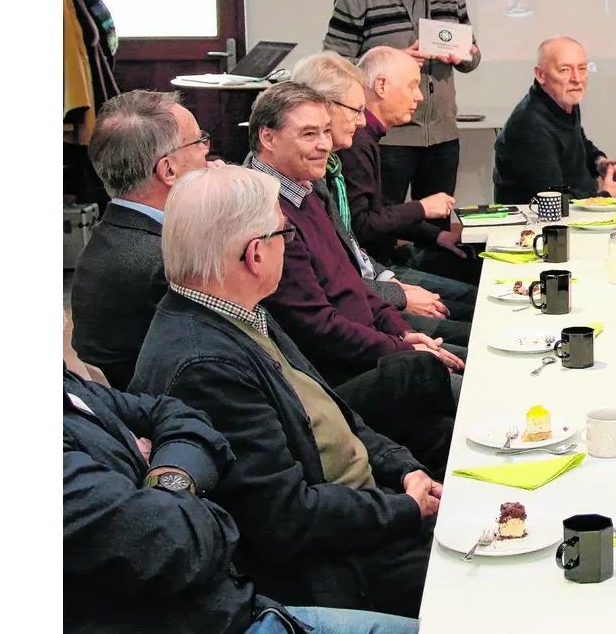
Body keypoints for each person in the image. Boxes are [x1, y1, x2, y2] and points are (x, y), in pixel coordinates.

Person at [129, 167, 445, 619]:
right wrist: (404, 510)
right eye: (286, 234)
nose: (290, 245)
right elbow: (287, 518)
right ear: (256, 254)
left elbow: (333, 411)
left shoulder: (239, 309)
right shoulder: (205, 364)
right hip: (339, 564)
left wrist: (404, 468)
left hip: (368, 507)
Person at [64, 366, 419, 634]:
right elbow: (180, 539)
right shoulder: (202, 362)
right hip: (226, 615)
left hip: (242, 600)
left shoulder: (64, 385)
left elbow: (177, 414)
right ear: (255, 261)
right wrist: (178, 489)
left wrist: (165, 476)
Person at [245, 83, 465, 387]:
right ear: (267, 137)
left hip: (374, 342)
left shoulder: (305, 188)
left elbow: (351, 281)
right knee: (476, 384)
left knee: (479, 364)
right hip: (346, 372)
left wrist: (400, 330)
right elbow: (319, 328)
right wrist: (400, 346)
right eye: (309, 134)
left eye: (325, 131)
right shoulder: (269, 214)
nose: (325, 144)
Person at [291, 51, 478, 326]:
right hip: (371, 284)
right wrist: (396, 295)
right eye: (412, 85)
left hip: (374, 274)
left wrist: (433, 237)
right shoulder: (344, 152)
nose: (420, 97)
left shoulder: (341, 156)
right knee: (474, 311)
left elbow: (357, 244)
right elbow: (361, 231)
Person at [325, 0, 481, 207]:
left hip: (441, 135)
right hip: (385, 137)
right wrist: (389, 64)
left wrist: (464, 54)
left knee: (435, 225)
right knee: (380, 225)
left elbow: (473, 56)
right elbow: (333, 65)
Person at [70, 90, 213, 390]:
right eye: (199, 141)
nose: (208, 152)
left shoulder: (110, 233)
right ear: (168, 170)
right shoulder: (164, 264)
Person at [492, 37, 616, 204]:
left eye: (582, 69)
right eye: (564, 70)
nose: (577, 79)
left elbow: (578, 143)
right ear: (540, 75)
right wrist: (605, 197)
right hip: (536, 224)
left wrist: (599, 163)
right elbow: (553, 201)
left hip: (575, 214)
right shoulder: (530, 126)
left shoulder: (562, 100)